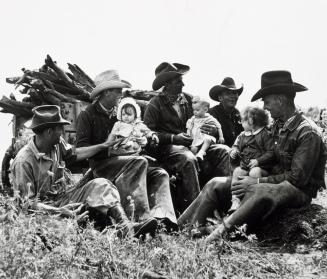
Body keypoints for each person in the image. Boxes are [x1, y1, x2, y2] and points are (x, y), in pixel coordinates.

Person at [178, 70, 327, 243]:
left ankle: (215, 237)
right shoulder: (276, 127)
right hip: (269, 182)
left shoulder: (307, 132)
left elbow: (297, 179)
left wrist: (256, 182)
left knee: (258, 189)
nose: (265, 107)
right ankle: (180, 229)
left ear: (280, 99)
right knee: (215, 184)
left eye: (267, 101)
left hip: (297, 191)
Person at [10, 105, 157, 238]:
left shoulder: (56, 144)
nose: (62, 132)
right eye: (59, 128)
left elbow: (76, 154)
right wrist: (59, 211)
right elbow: (25, 204)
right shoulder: (24, 161)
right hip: (46, 211)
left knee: (101, 184)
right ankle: (110, 230)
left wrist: (105, 145)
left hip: (64, 198)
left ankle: (126, 227)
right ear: (49, 132)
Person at [75, 70, 177, 230]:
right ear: (106, 92)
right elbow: (79, 152)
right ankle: (138, 220)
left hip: (127, 160)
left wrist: (146, 141)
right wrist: (105, 146)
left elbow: (136, 132)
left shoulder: (121, 113)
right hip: (102, 166)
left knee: (160, 174)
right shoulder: (87, 115)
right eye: (118, 90)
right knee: (138, 162)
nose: (121, 94)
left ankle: (164, 220)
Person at [143, 62, 230, 212]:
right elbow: (146, 133)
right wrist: (173, 138)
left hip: (194, 145)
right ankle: (195, 215)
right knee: (187, 158)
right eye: (178, 81)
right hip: (168, 151)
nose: (183, 84)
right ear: (167, 84)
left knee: (223, 151)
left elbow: (205, 117)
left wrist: (211, 130)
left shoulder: (190, 100)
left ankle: (225, 208)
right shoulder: (154, 104)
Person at [229, 106, 274, 212]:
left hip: (262, 167)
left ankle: (254, 201)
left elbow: (271, 152)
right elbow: (235, 146)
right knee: (237, 172)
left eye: (243, 120)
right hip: (245, 165)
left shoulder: (265, 134)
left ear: (251, 121)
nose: (241, 123)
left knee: (255, 172)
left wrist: (259, 161)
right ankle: (235, 200)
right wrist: (234, 151)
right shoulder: (242, 135)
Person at [208, 77, 244, 147]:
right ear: (220, 98)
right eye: (228, 93)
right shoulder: (211, 114)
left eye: (234, 93)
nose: (232, 96)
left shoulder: (238, 114)